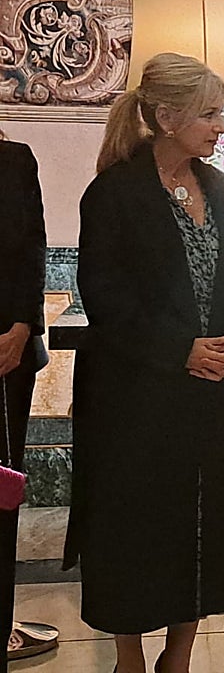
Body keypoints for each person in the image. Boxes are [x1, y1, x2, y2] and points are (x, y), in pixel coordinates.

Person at [64, 52, 224, 673]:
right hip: (136, 399)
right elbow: (104, 296)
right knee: (135, 528)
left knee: (201, 530)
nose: (222, 125)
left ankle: (178, 657)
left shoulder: (220, 186)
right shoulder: (115, 190)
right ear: (169, 117)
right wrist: (180, 350)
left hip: (212, 396)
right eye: (209, 113)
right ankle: (129, 657)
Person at [0, 133, 49, 673]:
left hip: (6, 356)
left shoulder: (14, 160)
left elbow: (32, 248)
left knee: (0, 495)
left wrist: (21, 327)